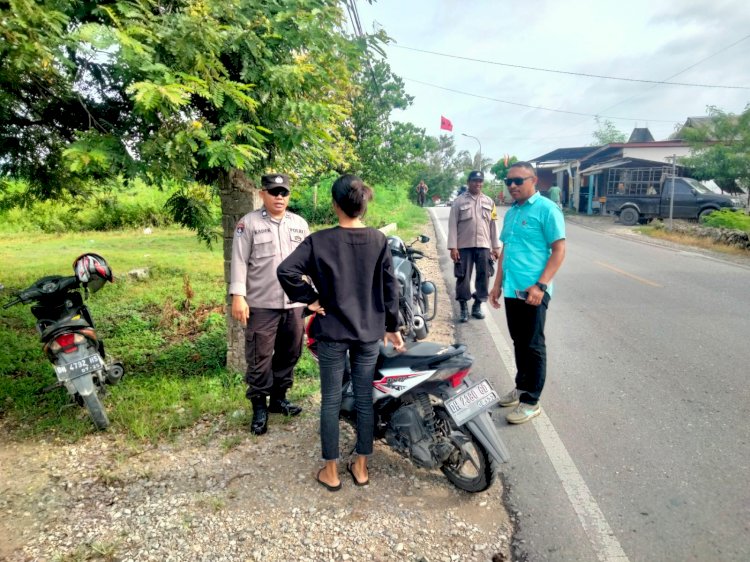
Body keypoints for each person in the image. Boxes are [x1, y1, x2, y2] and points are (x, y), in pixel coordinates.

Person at [277, 174, 405, 491]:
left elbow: (286, 271)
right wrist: (393, 327)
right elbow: (391, 288)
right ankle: (361, 467)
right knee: (364, 398)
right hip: (368, 333)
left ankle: (331, 472)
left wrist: (312, 300)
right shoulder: (378, 240)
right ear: (362, 206)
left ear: (335, 205)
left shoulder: (318, 241)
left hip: (332, 331)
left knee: (331, 400)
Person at [229, 173, 310, 435]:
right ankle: (259, 406)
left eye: (284, 192)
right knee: (259, 356)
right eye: (274, 191)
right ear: (263, 193)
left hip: (294, 303)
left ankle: (278, 398)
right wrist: (238, 296)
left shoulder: (299, 224)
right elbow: (239, 261)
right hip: (262, 303)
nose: (279, 197)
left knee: (291, 352)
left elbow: (309, 264)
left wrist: (314, 296)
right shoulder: (248, 224)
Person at [489, 162, 566, 425]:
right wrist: (497, 284)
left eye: (518, 181)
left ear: (533, 180)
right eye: (509, 181)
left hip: (534, 290)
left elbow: (559, 250)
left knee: (533, 345)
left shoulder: (547, 209)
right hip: (513, 289)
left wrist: (541, 285)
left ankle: (532, 400)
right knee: (519, 341)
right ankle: (522, 387)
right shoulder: (511, 212)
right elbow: (505, 251)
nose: (512, 186)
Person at [447, 170, 501, 323]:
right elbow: (452, 225)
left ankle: (477, 305)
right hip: (464, 246)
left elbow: (493, 225)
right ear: (468, 182)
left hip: (484, 246)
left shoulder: (489, 202)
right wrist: (453, 247)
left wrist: (496, 247)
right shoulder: (458, 202)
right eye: (475, 180)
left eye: (480, 181)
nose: (478, 183)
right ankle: (463, 307)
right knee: (463, 277)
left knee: (484, 276)